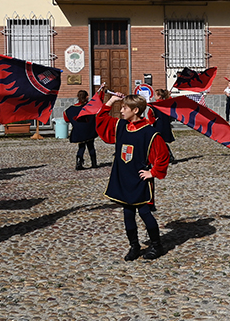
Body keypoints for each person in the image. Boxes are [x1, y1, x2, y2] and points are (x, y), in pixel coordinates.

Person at [96, 93, 171, 260]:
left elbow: (163, 155)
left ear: (135, 110)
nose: (121, 111)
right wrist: (111, 101)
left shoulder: (150, 132)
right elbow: (101, 120)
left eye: (124, 108)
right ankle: (134, 246)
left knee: (144, 212)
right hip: (124, 178)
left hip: (139, 180)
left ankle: (157, 245)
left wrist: (153, 172)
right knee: (128, 213)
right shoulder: (121, 126)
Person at [65, 89, 99, 170]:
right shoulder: (89, 107)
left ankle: (79, 163)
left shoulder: (71, 109)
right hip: (89, 130)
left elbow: (66, 118)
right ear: (87, 97)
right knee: (91, 146)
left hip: (79, 131)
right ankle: (94, 163)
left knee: (81, 147)